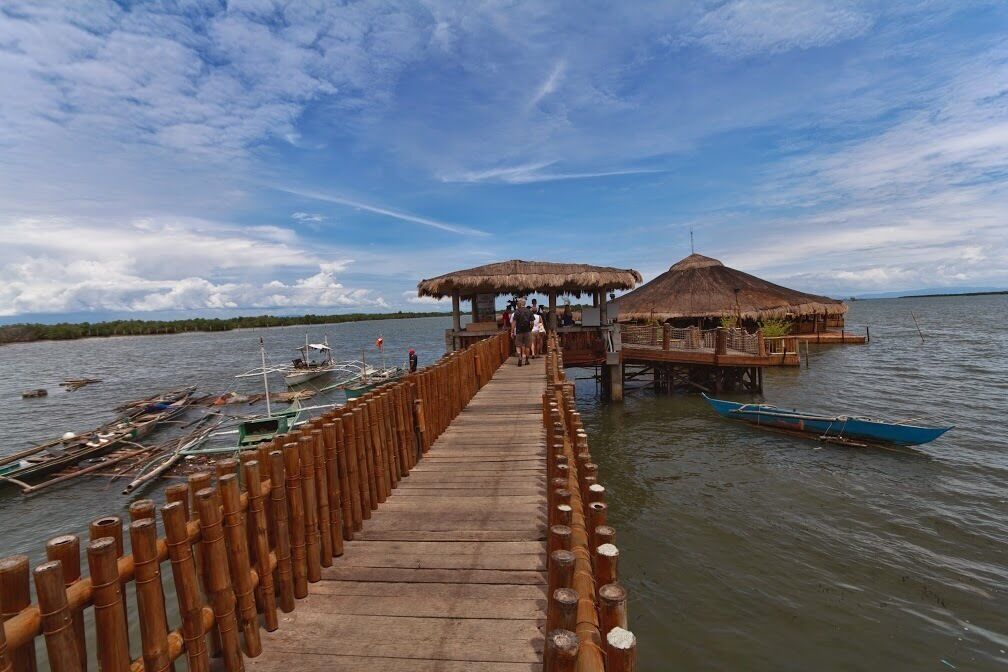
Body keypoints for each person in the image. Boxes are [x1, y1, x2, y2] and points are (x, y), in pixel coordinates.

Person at [511, 297, 533, 366]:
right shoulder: (529, 311)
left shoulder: (516, 312)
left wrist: (512, 331)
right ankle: (526, 360)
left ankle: (520, 358)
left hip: (518, 331)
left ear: (519, 304)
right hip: (527, 331)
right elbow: (532, 322)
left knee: (518, 345)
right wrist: (531, 328)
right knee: (527, 346)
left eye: (517, 303)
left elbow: (514, 322)